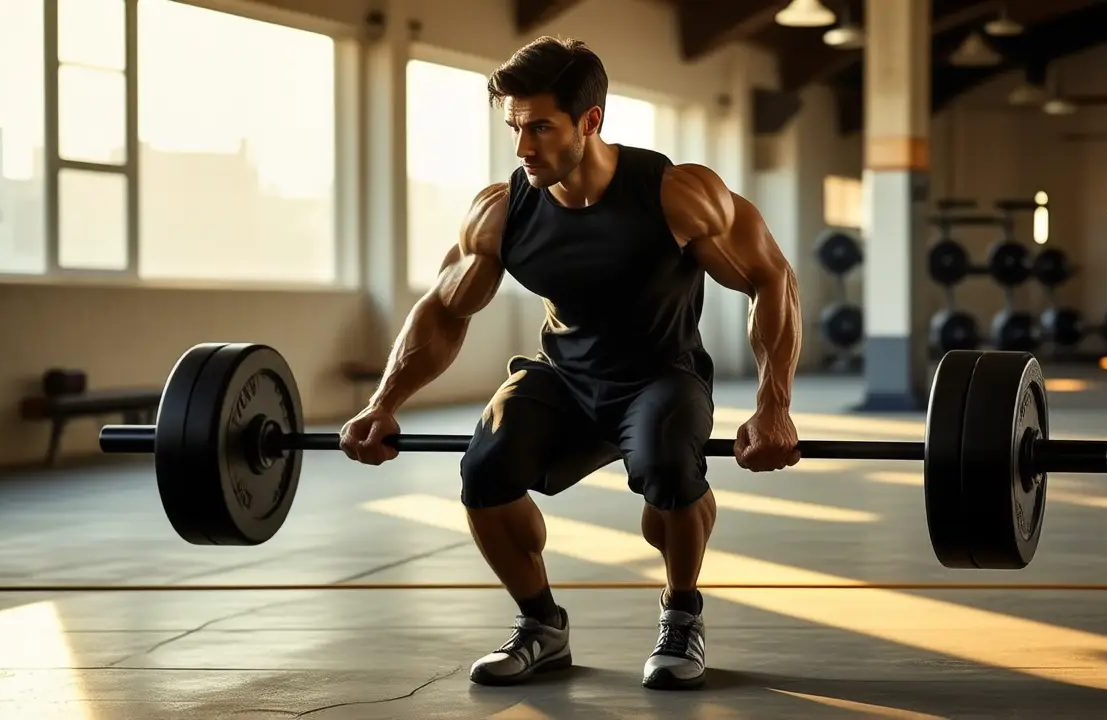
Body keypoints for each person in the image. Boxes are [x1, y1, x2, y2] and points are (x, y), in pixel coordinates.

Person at [339, 36, 802, 691]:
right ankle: (541, 625)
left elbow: (771, 278)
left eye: (541, 128)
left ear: (592, 121)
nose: (524, 147)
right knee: (484, 469)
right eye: (514, 128)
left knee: (669, 469)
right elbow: (444, 310)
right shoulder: (502, 212)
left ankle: (681, 613)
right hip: (562, 377)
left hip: (660, 376)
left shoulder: (675, 194)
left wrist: (773, 404)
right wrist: (383, 402)